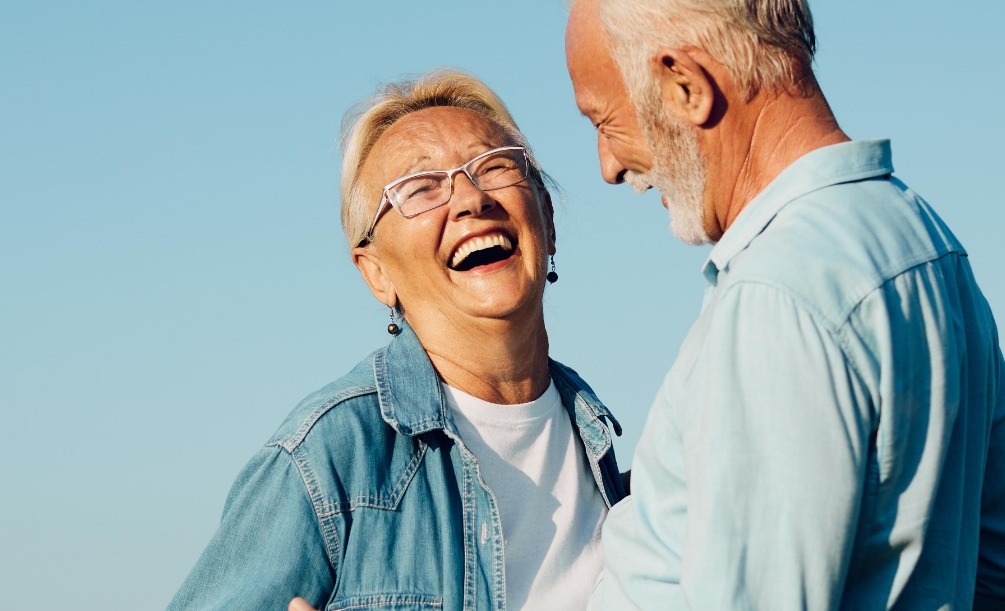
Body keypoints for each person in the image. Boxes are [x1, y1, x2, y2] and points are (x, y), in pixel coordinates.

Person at [565, 0, 1005, 608]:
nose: (608, 166)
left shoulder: (779, 293)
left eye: (603, 121)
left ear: (686, 86)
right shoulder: (928, 243)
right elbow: (990, 569)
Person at [167, 69, 627, 611]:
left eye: (494, 165)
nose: (470, 198)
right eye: (421, 186)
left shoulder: (604, 453)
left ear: (546, 220)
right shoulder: (328, 457)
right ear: (376, 272)